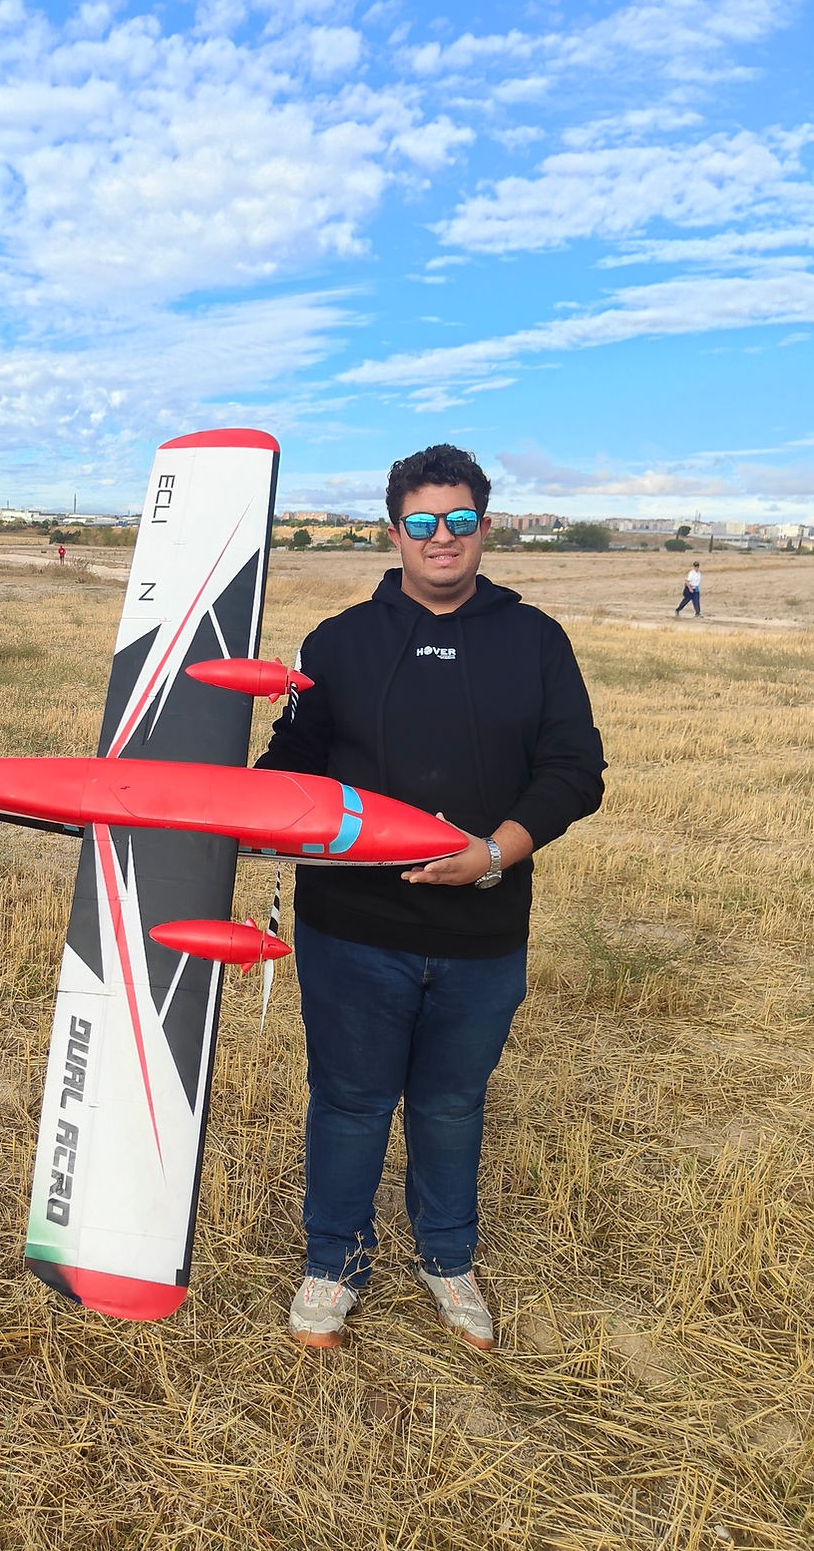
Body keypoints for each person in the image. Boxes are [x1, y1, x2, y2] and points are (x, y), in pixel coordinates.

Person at [256, 443, 605, 1351]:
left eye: (458, 521)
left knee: (451, 1105)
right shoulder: (338, 640)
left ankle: (447, 1259)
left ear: (484, 529)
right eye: (421, 523)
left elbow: (574, 770)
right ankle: (332, 1265)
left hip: (483, 930)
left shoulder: (533, 639)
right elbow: (289, 768)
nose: (440, 538)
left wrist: (495, 852)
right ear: (393, 533)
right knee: (348, 1100)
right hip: (351, 930)